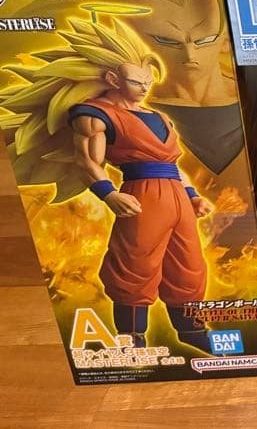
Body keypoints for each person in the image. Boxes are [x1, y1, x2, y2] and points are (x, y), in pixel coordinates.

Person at [0, 18, 213, 350]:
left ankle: (193, 331)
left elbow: (173, 164)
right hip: (142, 194)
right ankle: (132, 339)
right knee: (135, 264)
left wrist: (193, 195)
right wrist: (108, 194)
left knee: (188, 266)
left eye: (147, 81)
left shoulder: (159, 117)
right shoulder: (95, 114)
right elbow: (87, 161)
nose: (144, 88)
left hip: (176, 196)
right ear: (113, 79)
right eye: (135, 81)